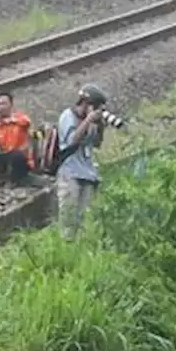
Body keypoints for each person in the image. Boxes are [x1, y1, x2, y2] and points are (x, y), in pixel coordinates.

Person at [56, 85, 108, 241]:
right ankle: (66, 250)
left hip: (87, 172)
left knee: (85, 218)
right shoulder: (68, 116)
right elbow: (72, 140)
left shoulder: (91, 121)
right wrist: (88, 120)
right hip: (70, 172)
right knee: (69, 217)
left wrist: (100, 126)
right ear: (86, 103)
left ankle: (81, 250)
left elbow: (97, 144)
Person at [0, 92, 36, 186]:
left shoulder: (20, 118)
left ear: (11, 105)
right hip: (6, 155)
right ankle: (3, 177)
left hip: (21, 158)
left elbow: (25, 122)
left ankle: (18, 179)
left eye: (4, 103)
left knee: (16, 155)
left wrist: (7, 121)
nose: (1, 107)